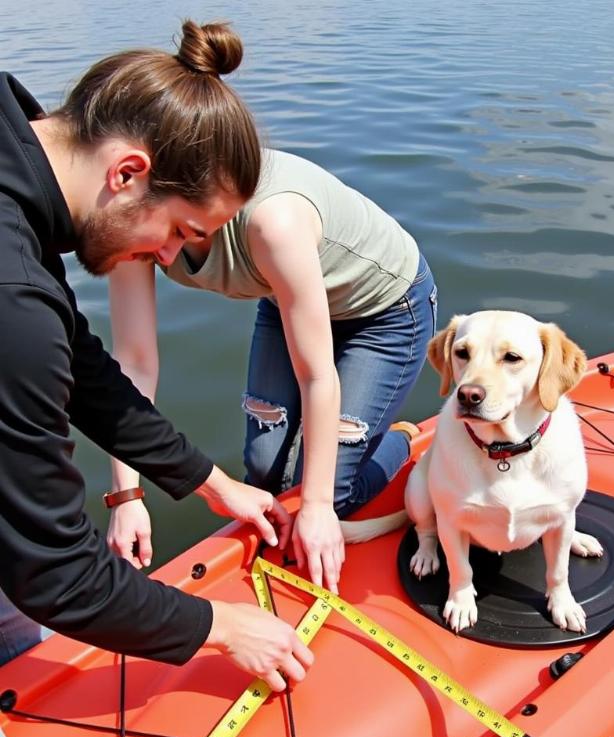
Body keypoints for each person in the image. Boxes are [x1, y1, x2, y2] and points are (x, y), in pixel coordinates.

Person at [0, 21, 313, 737]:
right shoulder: (12, 303)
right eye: (181, 231)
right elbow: (58, 572)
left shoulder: (18, 143)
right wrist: (220, 626)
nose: (173, 257)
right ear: (129, 172)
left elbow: (82, 364)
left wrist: (209, 480)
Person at [107, 149, 438, 594]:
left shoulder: (272, 222)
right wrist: (127, 496)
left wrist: (319, 506)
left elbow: (317, 375)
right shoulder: (133, 221)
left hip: (384, 311)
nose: (163, 255)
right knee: (263, 470)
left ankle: (396, 438)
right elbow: (134, 363)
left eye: (178, 234)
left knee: (323, 493)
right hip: (288, 300)